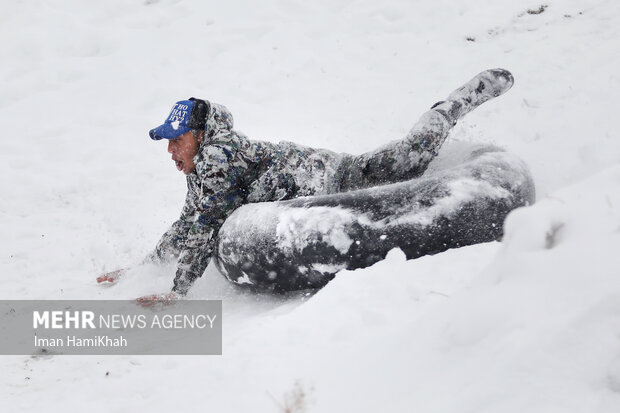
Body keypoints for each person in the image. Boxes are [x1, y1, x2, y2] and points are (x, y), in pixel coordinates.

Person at [97, 69, 534, 304]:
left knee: (410, 158)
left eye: (177, 138)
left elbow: (205, 225)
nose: (171, 149)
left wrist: (177, 292)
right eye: (169, 141)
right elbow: (188, 223)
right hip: (321, 184)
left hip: (339, 179)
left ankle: (456, 102)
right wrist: (142, 266)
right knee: (406, 162)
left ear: (199, 135)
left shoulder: (217, 156)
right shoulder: (201, 167)